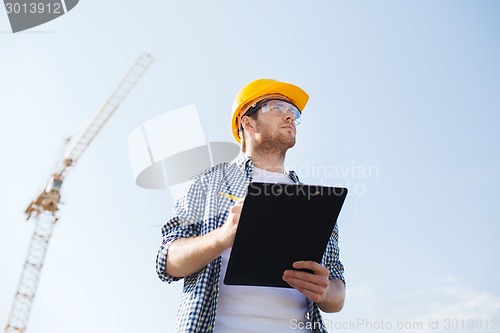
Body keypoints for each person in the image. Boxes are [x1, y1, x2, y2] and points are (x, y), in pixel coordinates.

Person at [156, 78, 345, 332]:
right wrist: (222, 238)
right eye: (278, 107)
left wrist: (325, 291)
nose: (290, 116)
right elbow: (166, 260)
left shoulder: (314, 204)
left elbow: (338, 293)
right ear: (248, 121)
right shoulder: (206, 183)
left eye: (293, 112)